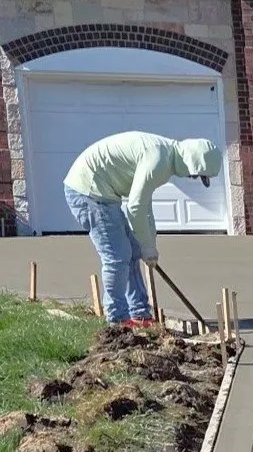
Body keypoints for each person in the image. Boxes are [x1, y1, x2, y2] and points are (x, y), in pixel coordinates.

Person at [63, 133, 223, 325]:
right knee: (117, 256)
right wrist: (147, 245)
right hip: (88, 192)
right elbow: (136, 207)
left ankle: (139, 313)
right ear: (192, 162)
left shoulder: (166, 159)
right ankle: (117, 321)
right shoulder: (157, 159)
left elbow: (144, 206)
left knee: (133, 252)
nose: (194, 177)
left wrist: (149, 246)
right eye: (197, 174)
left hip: (105, 193)